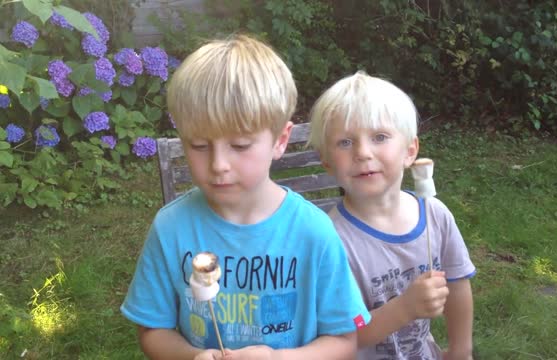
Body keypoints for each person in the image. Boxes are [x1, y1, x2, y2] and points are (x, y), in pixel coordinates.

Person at [120, 35, 370, 360]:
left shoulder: (314, 232)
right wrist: (192, 356)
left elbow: (343, 341)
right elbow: (153, 330)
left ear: (280, 141)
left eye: (239, 146)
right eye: (198, 146)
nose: (218, 165)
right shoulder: (171, 228)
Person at [308, 71, 476, 360]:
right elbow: (342, 338)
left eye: (380, 137)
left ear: (410, 151)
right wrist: (404, 308)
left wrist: (461, 350)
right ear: (327, 162)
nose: (363, 152)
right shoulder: (330, 240)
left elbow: (458, 285)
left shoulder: (435, 216)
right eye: (345, 142)